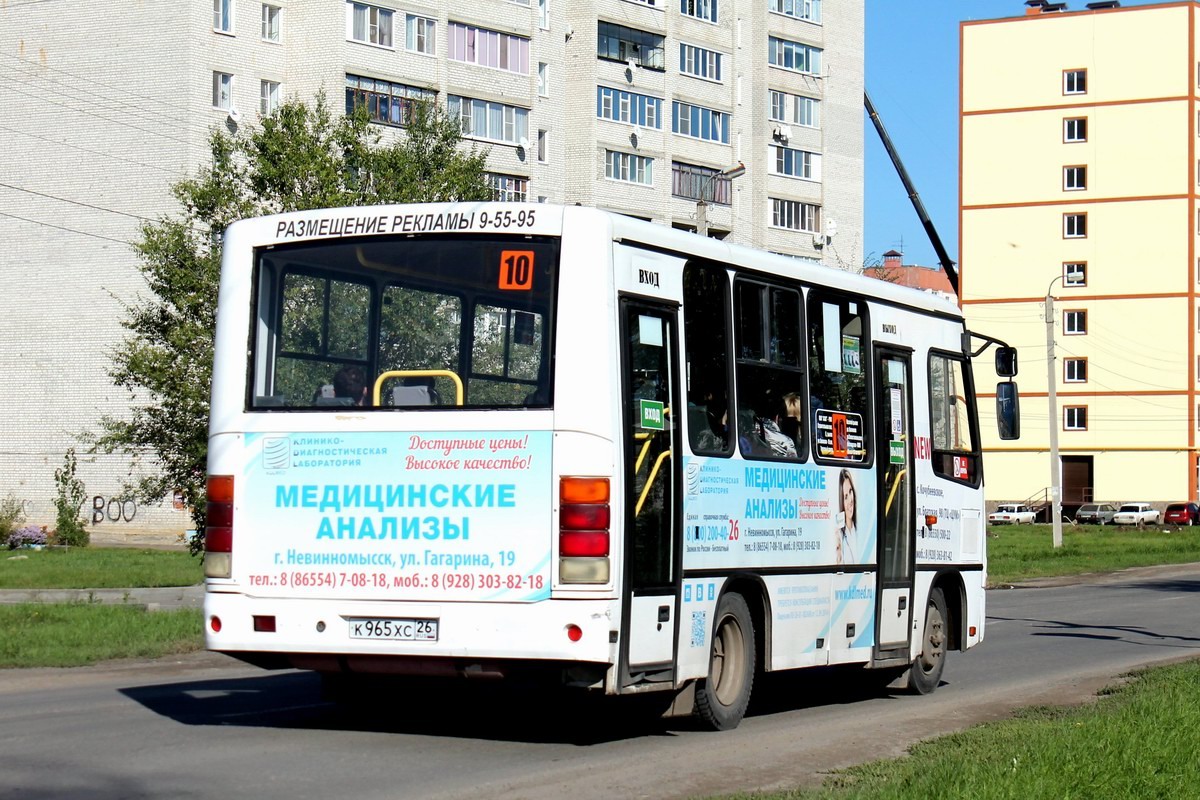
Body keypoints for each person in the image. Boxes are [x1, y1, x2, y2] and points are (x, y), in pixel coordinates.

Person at [835, 468, 858, 565]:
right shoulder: (839, 535)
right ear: (842, 502)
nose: (850, 501)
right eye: (845, 497)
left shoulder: (860, 529)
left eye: (850, 491)